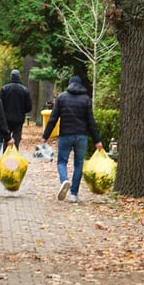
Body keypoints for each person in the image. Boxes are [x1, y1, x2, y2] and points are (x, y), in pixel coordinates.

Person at [40, 75, 103, 203]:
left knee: (62, 161)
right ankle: (74, 194)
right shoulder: (86, 99)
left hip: (65, 135)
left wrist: (45, 136)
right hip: (81, 136)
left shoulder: (61, 97)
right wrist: (97, 140)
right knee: (78, 164)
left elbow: (53, 118)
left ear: (69, 84)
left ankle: (64, 180)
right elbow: (91, 121)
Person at [0, 69, 32, 149]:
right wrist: (22, 111)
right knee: (17, 138)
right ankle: (15, 153)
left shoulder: (4, 89)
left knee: (6, 138)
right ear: (19, 77)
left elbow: (0, 105)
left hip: (6, 118)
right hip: (19, 119)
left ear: (11, 77)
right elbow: (28, 107)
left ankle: (6, 154)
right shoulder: (24, 90)